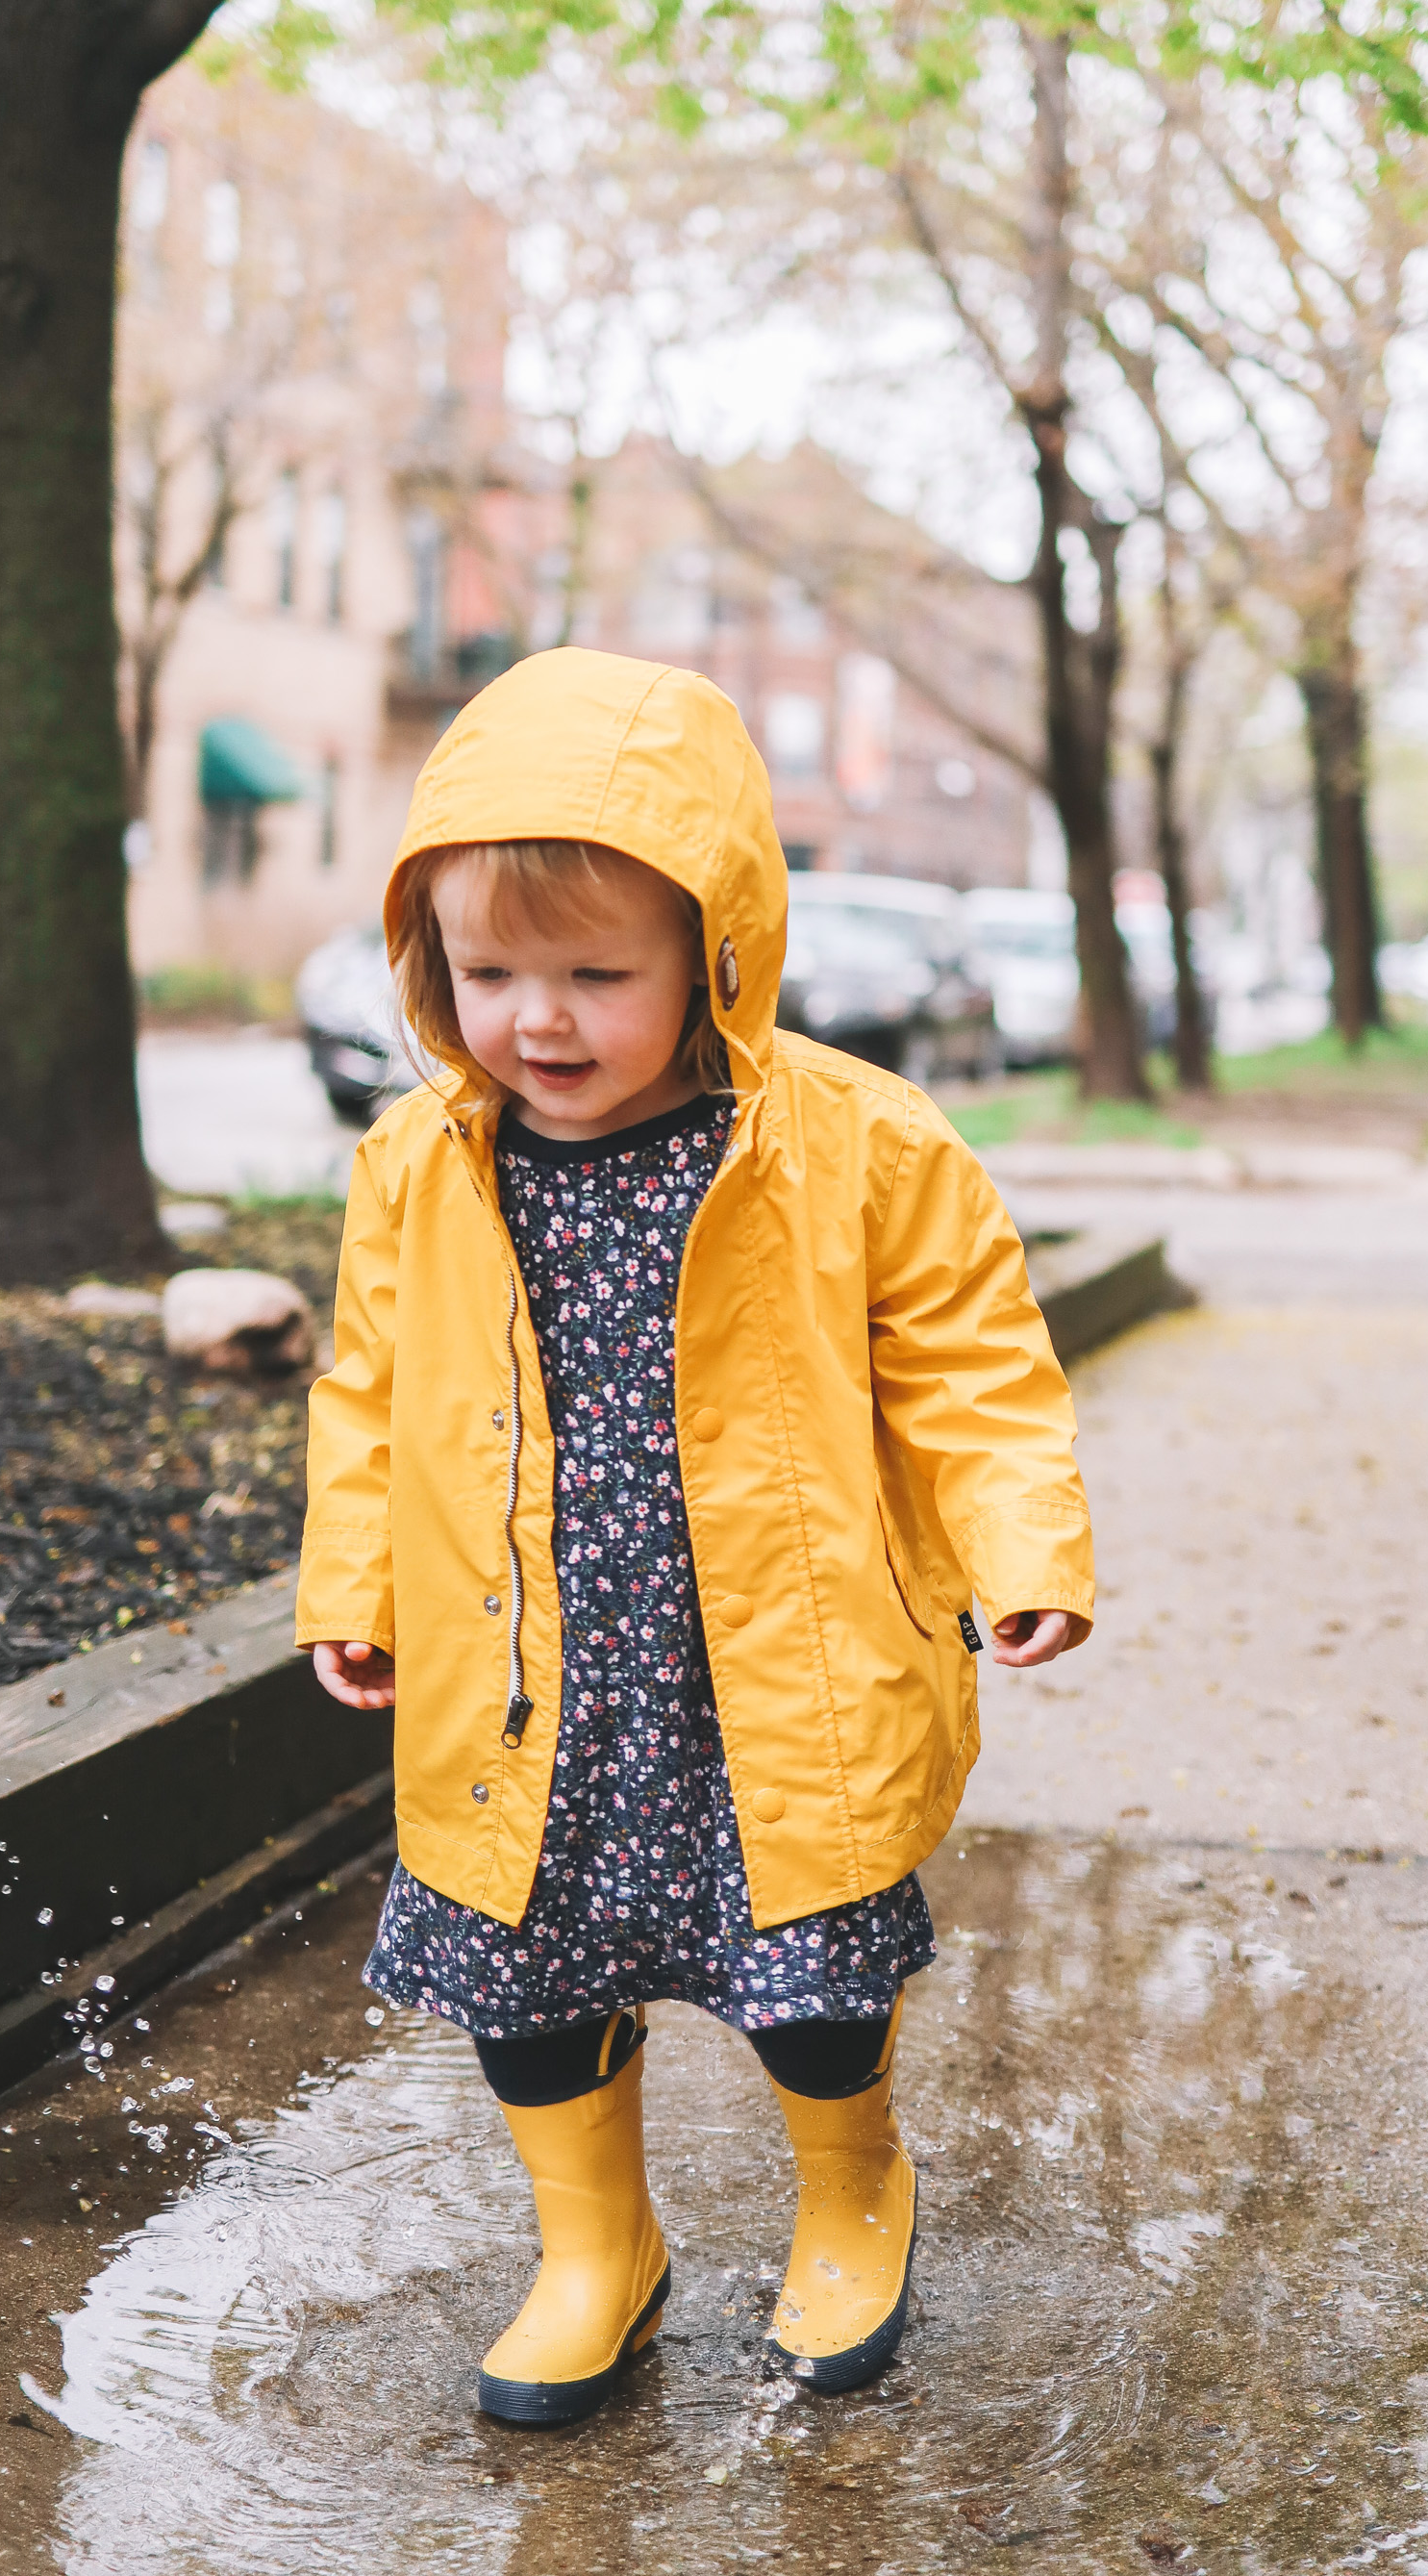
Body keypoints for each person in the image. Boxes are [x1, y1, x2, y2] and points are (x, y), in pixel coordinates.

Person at [299, 646, 1093, 2428]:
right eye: (489, 973)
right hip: (528, 1677)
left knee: (805, 1962)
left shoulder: (853, 1145)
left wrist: (1025, 1541)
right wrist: (354, 1581)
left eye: (598, 973)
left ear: (716, 955)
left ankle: (850, 2198)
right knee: (526, 1964)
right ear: (430, 968)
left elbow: (973, 1359)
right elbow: (371, 1388)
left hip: (770, 1664)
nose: (542, 1021)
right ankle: (597, 2249)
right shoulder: (424, 1161)